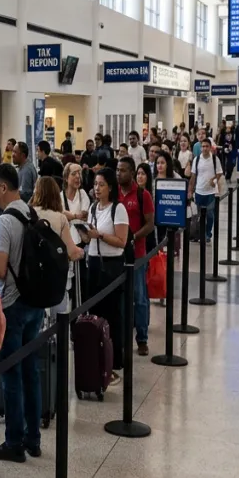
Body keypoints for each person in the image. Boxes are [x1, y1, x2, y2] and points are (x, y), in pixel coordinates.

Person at [0, 163, 46, 463]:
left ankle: (14, 442)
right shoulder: (32, 212)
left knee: (10, 375)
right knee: (32, 371)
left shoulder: (4, 223)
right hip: (35, 302)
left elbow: (0, 270)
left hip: (13, 306)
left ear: (3, 187)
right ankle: (34, 438)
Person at [85, 166, 129, 385]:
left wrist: (99, 235)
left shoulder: (118, 209)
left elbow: (121, 241)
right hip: (93, 262)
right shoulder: (93, 207)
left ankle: (113, 362)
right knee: (95, 313)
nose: (97, 189)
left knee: (112, 314)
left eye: (101, 185)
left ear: (110, 187)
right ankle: (97, 361)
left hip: (111, 265)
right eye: (95, 184)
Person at [30, 176, 85, 314]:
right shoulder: (60, 218)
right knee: (59, 316)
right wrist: (81, 252)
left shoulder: (28, 214)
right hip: (56, 277)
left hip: (32, 275)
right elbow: (71, 251)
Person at [117, 157, 154, 356]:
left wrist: (133, 237)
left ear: (131, 173)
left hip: (137, 254)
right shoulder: (113, 193)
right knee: (122, 298)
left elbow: (149, 223)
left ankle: (142, 338)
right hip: (117, 253)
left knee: (139, 297)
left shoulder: (142, 195)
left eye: (122, 170)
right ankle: (122, 337)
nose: (118, 173)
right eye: (117, 170)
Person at [189, 138, 221, 242]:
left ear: (210, 147)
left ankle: (208, 233)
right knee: (199, 215)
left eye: (207, 146)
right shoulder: (196, 160)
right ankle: (199, 233)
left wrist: (214, 180)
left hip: (210, 192)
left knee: (210, 214)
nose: (205, 148)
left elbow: (219, 172)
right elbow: (193, 176)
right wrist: (190, 190)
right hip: (199, 191)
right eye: (203, 146)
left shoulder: (215, 159)